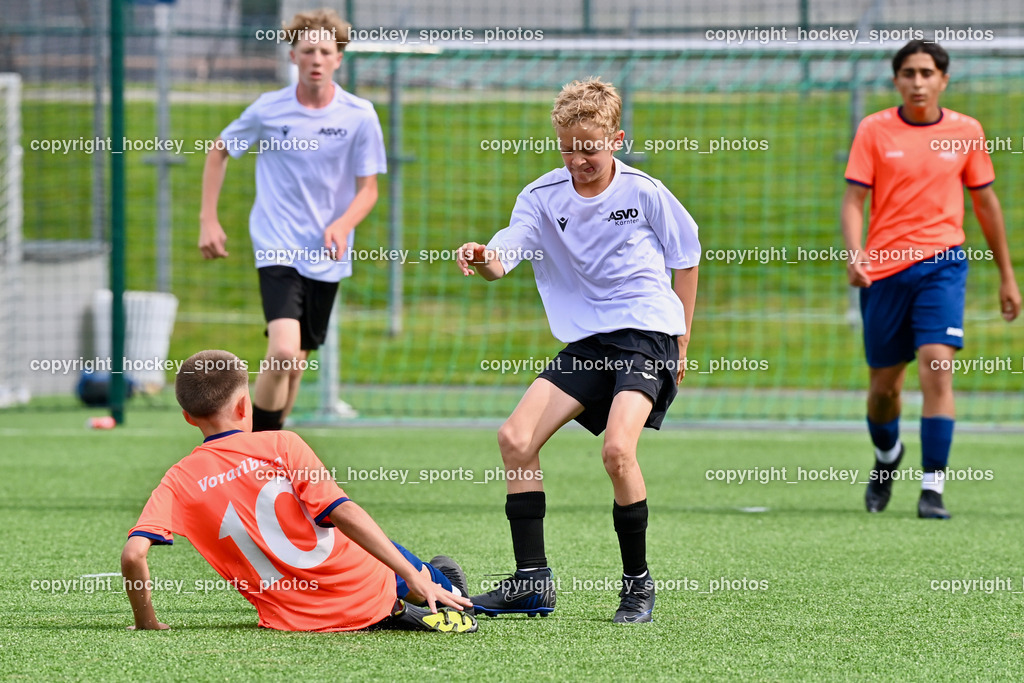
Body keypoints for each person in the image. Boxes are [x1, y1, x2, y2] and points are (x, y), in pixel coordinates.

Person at [455, 78, 700, 623]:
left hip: (646, 337)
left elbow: (686, 259)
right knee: (515, 438)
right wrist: (484, 255)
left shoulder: (645, 193)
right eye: (568, 147)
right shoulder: (541, 197)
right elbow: (507, 254)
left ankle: (637, 586)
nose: (578, 158)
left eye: (589, 147)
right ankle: (532, 582)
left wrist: (681, 340)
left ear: (615, 138)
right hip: (590, 341)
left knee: (617, 451)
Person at [121, 349, 477, 633]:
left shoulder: (177, 479)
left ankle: (417, 593)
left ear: (187, 417)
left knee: (409, 572)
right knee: (427, 578)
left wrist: (146, 621)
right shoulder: (282, 443)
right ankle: (437, 584)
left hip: (297, 621)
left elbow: (133, 555)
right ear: (246, 406)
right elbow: (343, 512)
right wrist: (412, 575)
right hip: (364, 584)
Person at [841, 40, 1020, 519]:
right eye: (908, 73)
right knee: (884, 390)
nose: (918, 82)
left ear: (943, 79)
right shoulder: (874, 129)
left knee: (937, 364)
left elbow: (986, 204)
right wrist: (855, 254)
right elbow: (854, 200)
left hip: (942, 264)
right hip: (883, 273)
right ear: (896, 80)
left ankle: (933, 489)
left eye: (927, 73)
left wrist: (1008, 276)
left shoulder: (967, 131)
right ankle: (886, 460)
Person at [199, 8, 386, 431]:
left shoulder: (359, 115)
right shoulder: (269, 109)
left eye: (325, 51)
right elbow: (219, 150)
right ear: (292, 57)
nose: (316, 59)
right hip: (276, 243)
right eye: (307, 51)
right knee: (283, 352)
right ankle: (253, 450)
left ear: (339, 58)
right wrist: (207, 220)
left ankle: (271, 453)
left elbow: (369, 189)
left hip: (327, 252)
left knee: (296, 362)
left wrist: (342, 224)